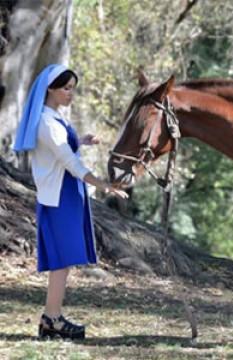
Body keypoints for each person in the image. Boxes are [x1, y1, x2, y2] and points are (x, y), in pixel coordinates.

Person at [13, 64, 128, 340]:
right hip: (59, 198)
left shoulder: (53, 118)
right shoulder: (47, 123)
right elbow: (69, 162)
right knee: (60, 261)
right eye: (66, 88)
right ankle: (51, 320)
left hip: (67, 194)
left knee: (63, 261)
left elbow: (64, 150)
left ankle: (52, 317)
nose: (70, 94)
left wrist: (82, 141)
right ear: (50, 89)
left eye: (73, 89)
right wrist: (104, 185)